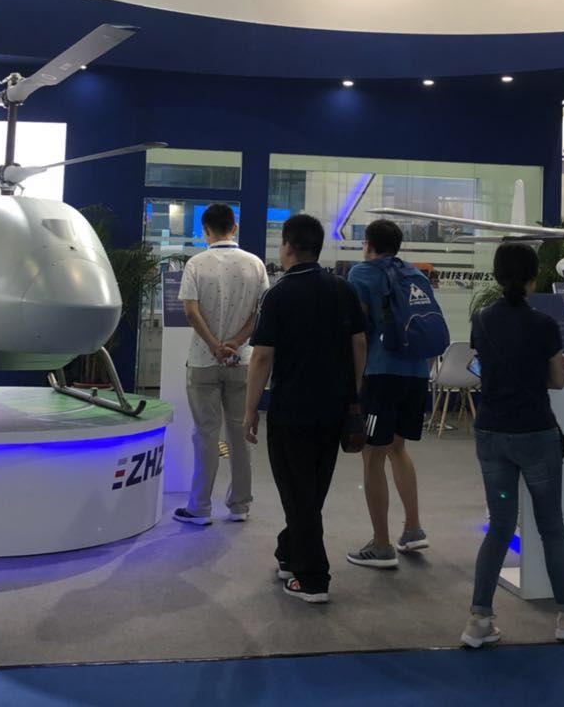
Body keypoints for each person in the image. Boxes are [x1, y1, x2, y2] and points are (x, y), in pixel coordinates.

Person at [461, 241, 564, 648]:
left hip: (492, 433)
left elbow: (482, 369)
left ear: (497, 276)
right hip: (536, 433)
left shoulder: (481, 319)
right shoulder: (544, 325)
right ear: (534, 278)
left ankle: (479, 619)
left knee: (499, 526)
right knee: (551, 525)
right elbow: (557, 381)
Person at [244, 214, 367, 604]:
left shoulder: (279, 295)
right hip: (334, 410)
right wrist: (354, 392)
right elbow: (359, 344)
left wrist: (250, 409)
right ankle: (289, 552)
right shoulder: (342, 289)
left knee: (297, 492)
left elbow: (261, 356)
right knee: (309, 490)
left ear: (287, 246)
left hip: (291, 410)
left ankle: (312, 578)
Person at [172, 203, 269, 527]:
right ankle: (240, 505)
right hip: (242, 361)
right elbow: (259, 312)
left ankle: (200, 508)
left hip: (203, 361)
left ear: (205, 230)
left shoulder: (196, 264)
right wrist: (236, 342)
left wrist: (214, 344)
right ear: (234, 227)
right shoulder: (255, 264)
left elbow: (190, 311)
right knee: (240, 433)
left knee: (206, 434)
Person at [344, 219, 430, 569]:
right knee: (398, 448)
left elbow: (359, 332)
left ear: (367, 243)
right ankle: (413, 528)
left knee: (372, 454)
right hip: (417, 372)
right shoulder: (415, 274)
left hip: (382, 373)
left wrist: (354, 382)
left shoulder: (361, 274)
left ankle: (381, 545)